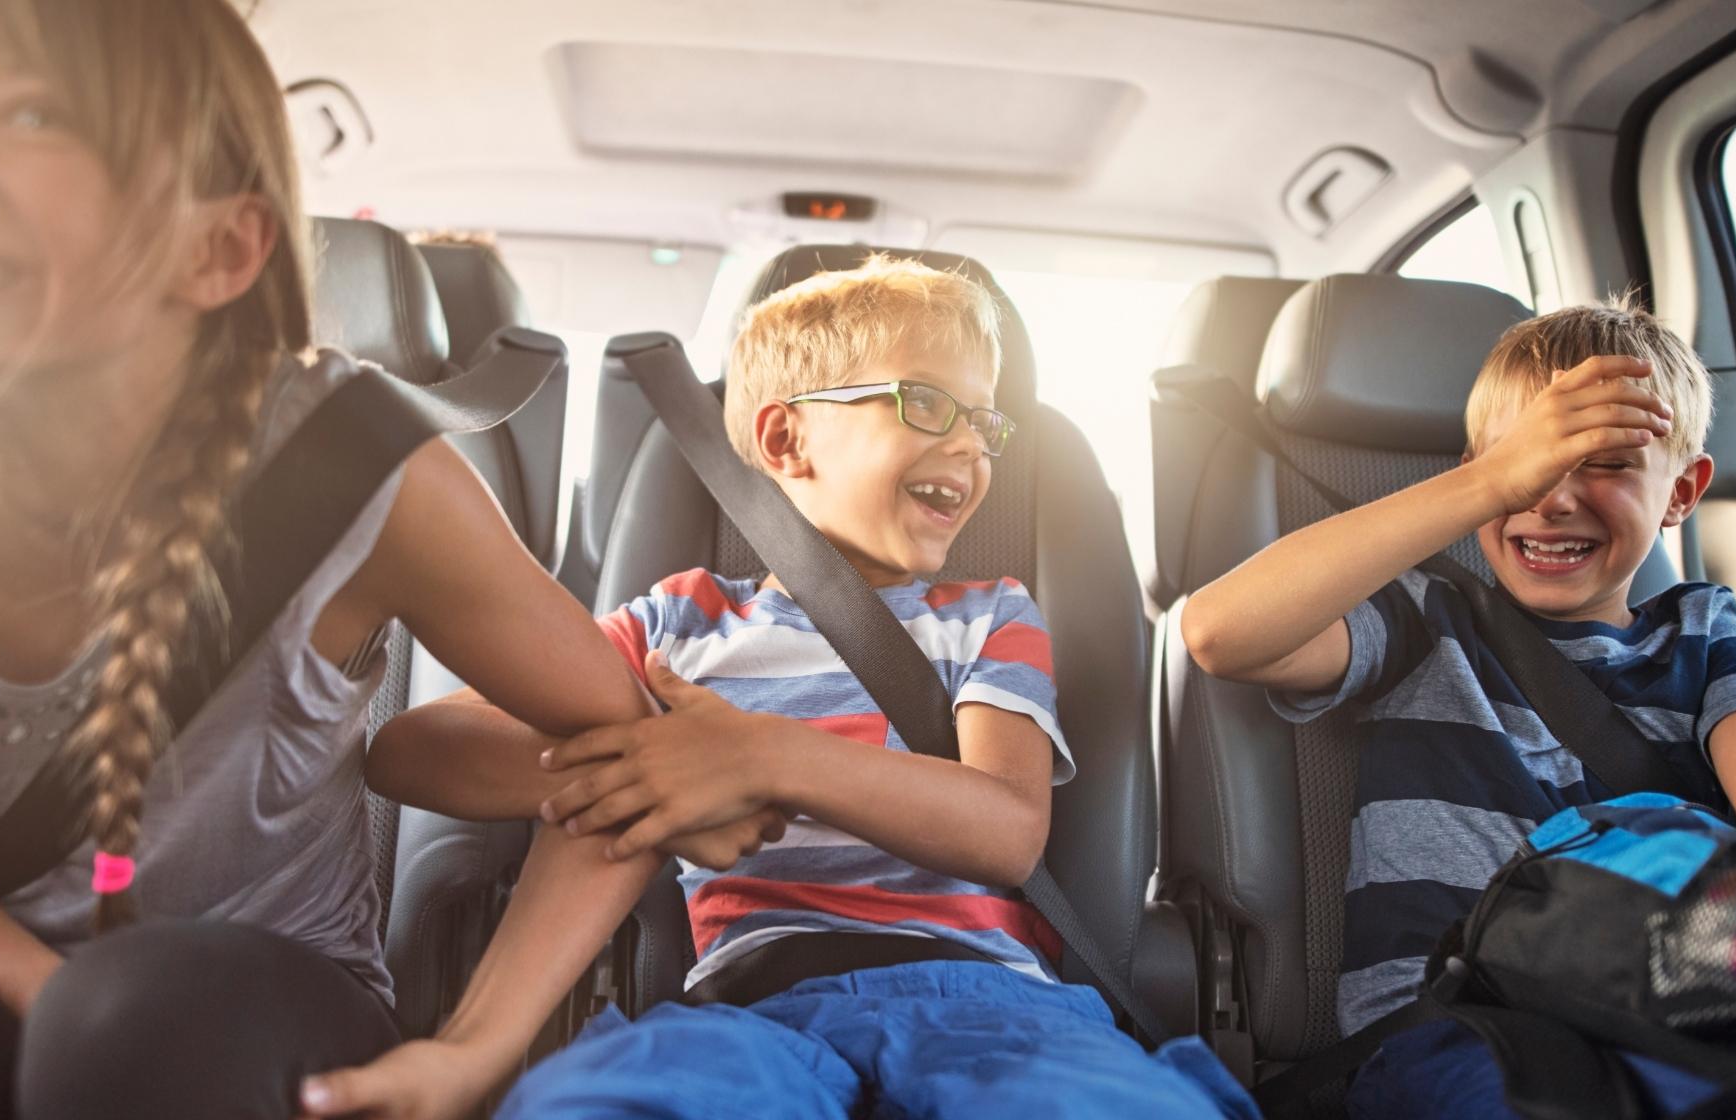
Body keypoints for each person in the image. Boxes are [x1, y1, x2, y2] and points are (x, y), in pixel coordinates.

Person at [0, 3, 773, 1118]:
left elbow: (636, 760)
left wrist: (473, 1049)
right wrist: (39, 990)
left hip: (265, 982)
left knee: (135, 1029)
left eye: (31, 114)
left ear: (218, 248)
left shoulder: (356, 476)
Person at [352, 255, 1256, 1119]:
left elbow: (1007, 831)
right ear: (786, 439)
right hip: (749, 1007)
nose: (971, 447)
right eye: (927, 403)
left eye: (985, 424)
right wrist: (644, 763)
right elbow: (410, 751)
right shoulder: (677, 626)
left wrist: (761, 757)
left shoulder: (990, 617)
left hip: (988, 1003)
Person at [1178, 299, 1736, 1116]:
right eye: (1529, 463)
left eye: (1605, 463)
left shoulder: (1708, 637)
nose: (1552, 498)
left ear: (1681, 491)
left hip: (1674, 1014)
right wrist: (1487, 483)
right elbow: (1218, 633)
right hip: (1459, 1025)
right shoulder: (1425, 620)